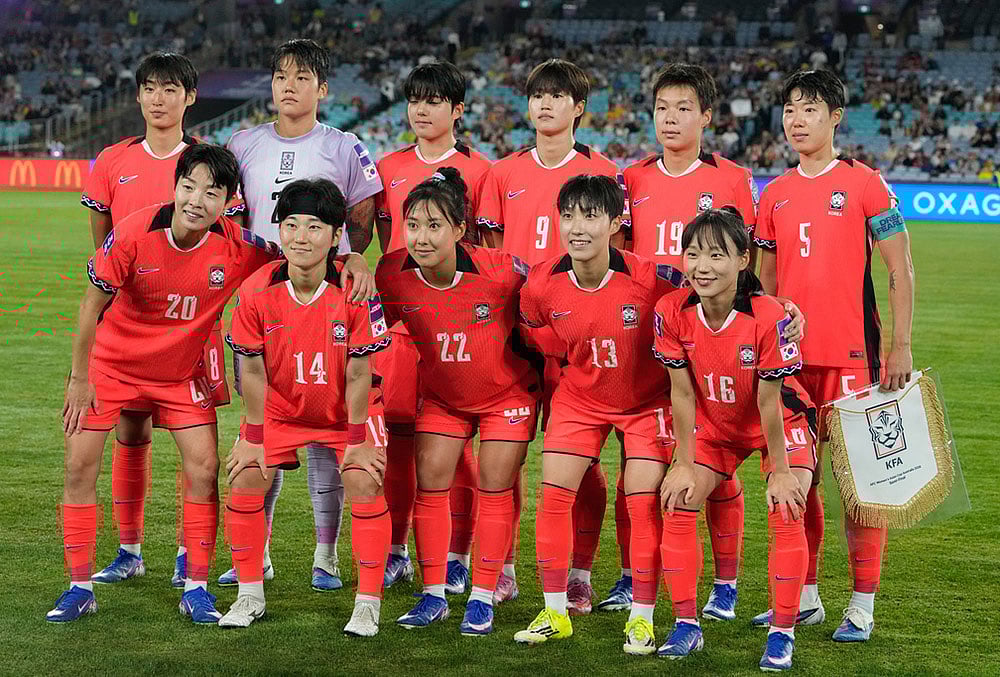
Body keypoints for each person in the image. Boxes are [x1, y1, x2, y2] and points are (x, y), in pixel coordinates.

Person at [47, 144, 279, 624]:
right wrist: (79, 378)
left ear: (227, 202)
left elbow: (297, 259)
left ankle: (195, 586)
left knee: (205, 467)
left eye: (211, 193)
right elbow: (90, 308)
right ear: (175, 187)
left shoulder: (241, 247)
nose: (197, 200)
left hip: (180, 375)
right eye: (189, 187)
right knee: (78, 465)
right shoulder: (133, 233)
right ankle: (79, 586)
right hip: (113, 365)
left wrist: (352, 263)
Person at [753, 69, 915, 642]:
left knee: (861, 487)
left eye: (810, 111)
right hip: (793, 366)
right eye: (790, 110)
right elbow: (764, 288)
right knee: (800, 481)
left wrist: (899, 345)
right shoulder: (772, 194)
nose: (797, 121)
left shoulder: (868, 184)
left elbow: (899, 268)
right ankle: (810, 597)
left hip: (854, 361)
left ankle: (863, 608)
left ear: (835, 117)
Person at [221, 38, 380, 592]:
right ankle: (256, 554)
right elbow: (229, 212)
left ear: (323, 89)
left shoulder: (343, 145)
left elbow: (363, 208)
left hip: (325, 296)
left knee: (324, 427)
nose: (289, 86)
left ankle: (326, 555)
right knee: (266, 424)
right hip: (260, 300)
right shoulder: (242, 142)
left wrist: (350, 256)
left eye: (303, 77)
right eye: (281, 76)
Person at [476, 59, 628, 613]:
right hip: (513, 334)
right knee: (504, 453)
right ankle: (505, 568)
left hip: (581, 336)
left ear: (578, 108)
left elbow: (620, 256)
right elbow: (491, 259)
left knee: (582, 461)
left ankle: (581, 573)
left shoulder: (607, 173)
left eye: (557, 96)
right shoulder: (502, 173)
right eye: (537, 95)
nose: (545, 105)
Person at [513, 175, 682, 654]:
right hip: (580, 399)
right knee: (553, 497)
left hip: (646, 403)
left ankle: (642, 618)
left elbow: (714, 297)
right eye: (568, 216)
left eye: (590, 216)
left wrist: (782, 309)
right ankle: (554, 611)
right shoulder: (542, 283)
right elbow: (531, 329)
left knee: (642, 503)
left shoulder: (653, 279)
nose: (577, 227)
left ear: (615, 223)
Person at [219, 179, 392, 635]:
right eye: (291, 224)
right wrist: (253, 437)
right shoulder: (256, 289)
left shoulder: (356, 289)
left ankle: (368, 603)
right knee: (245, 475)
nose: (300, 236)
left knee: (362, 479)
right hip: (281, 410)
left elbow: (359, 373)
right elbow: (251, 370)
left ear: (337, 235)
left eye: (315, 226)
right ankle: (249, 595)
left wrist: (357, 441)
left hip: (346, 412)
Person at [620, 62, 760, 620]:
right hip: (642, 338)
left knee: (713, 454)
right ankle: (633, 575)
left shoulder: (731, 180)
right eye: (662, 108)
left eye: (683, 108)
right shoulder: (632, 180)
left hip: (708, 339)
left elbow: (748, 267)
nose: (670, 118)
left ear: (706, 115)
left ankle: (724, 584)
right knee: (639, 455)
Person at [375, 168, 542, 635]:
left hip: (506, 395)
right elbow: (369, 327)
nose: (421, 237)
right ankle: (433, 595)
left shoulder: (502, 272)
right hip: (444, 397)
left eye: (434, 225)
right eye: (413, 225)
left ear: (459, 229)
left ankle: (483, 597)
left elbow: (545, 300)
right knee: (431, 483)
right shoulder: (391, 274)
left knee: (494, 486)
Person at [79, 52, 223, 588]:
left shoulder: (210, 161)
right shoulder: (113, 160)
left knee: (198, 450)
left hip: (191, 330)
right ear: (138, 95)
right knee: (131, 433)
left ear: (190, 98)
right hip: (130, 330)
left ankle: (192, 555)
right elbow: (102, 244)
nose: (159, 99)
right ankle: (130, 549)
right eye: (150, 89)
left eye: (171, 89)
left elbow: (225, 244)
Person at [654, 207, 817, 671]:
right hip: (717, 426)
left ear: (744, 260)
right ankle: (687, 625)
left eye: (716, 255)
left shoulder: (771, 317)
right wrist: (684, 462)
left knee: (787, 506)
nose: (701, 266)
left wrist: (782, 472)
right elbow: (681, 394)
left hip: (778, 425)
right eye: (692, 254)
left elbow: (770, 402)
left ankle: (782, 632)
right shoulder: (671, 311)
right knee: (679, 498)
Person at [373, 61, 493, 594]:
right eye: (414, 100)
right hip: (404, 322)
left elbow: (487, 254)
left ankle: (459, 555)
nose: (421, 111)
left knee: (457, 437)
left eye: (434, 101)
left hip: (460, 325)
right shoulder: (387, 166)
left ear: (457, 110)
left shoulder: (482, 171)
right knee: (400, 438)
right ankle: (399, 548)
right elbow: (380, 238)